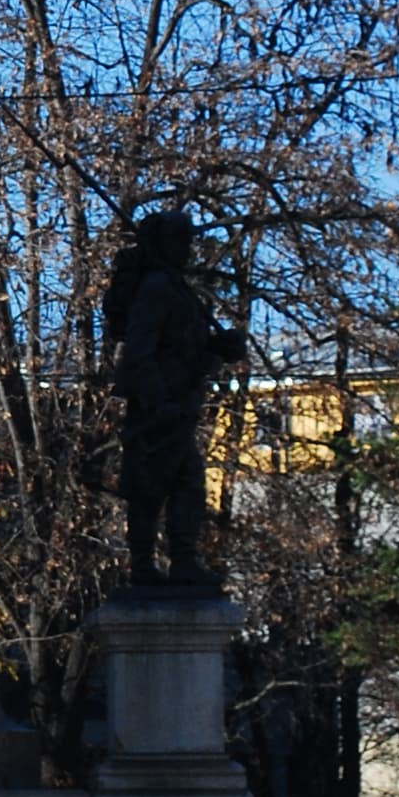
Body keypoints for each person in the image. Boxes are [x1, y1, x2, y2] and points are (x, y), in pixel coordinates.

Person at [103, 212, 246, 589]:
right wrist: (158, 401)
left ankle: (182, 560)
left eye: (188, 240)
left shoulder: (177, 288)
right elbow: (139, 350)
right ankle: (144, 565)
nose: (187, 248)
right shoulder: (157, 288)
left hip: (180, 403)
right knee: (150, 485)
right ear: (162, 244)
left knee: (187, 484)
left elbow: (184, 345)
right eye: (179, 240)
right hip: (158, 408)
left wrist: (220, 346)